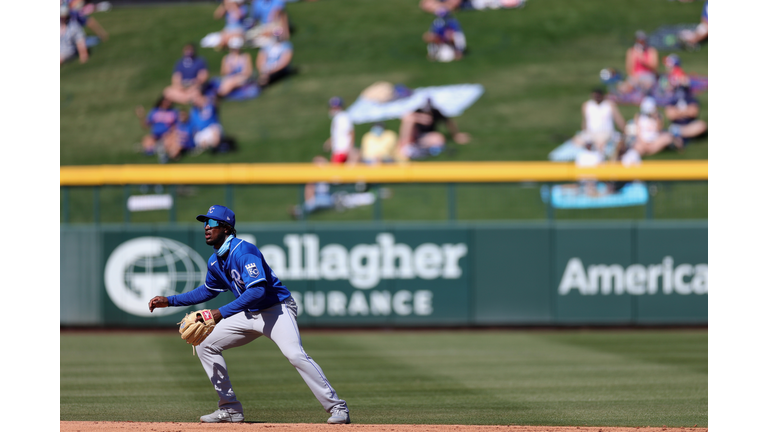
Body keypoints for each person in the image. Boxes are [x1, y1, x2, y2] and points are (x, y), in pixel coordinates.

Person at [147, 205, 351, 424]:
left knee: (294, 355)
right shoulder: (216, 261)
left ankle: (338, 407)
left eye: (212, 223)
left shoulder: (243, 251)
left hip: (277, 309)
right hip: (248, 313)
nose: (207, 227)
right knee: (205, 344)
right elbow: (207, 291)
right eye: (205, 223)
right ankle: (230, 409)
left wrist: (220, 313)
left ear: (226, 228)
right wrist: (170, 300)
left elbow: (257, 290)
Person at [398, 98, 470, 160]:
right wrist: (420, 118)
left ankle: (418, 149)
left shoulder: (435, 112)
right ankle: (405, 147)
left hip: (427, 136)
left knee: (438, 138)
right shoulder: (417, 111)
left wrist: (456, 135)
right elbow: (406, 117)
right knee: (409, 120)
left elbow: (448, 121)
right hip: (414, 135)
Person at [571, 88, 626, 154]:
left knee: (601, 143)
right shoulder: (587, 105)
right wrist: (584, 132)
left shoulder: (609, 105)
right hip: (591, 133)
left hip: (606, 133)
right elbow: (585, 121)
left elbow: (618, 119)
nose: (597, 98)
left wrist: (624, 130)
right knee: (576, 141)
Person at [135, 96, 179, 162]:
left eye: (169, 102)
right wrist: (142, 116)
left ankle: (165, 154)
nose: (167, 103)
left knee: (169, 143)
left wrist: (172, 134)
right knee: (146, 141)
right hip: (155, 135)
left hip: (167, 135)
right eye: (165, 101)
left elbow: (177, 125)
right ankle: (153, 150)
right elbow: (146, 125)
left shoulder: (173, 112)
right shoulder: (154, 111)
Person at [323, 97, 357, 164]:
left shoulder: (343, 117)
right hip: (338, 149)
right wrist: (330, 141)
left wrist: (350, 148)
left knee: (335, 172)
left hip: (342, 149)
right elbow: (338, 134)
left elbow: (351, 132)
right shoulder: (337, 118)